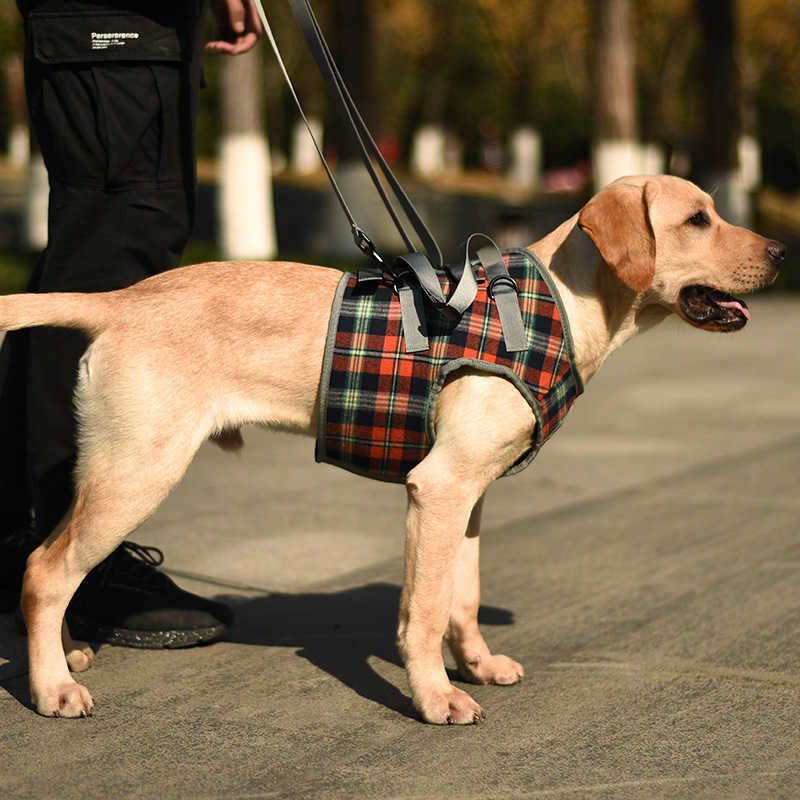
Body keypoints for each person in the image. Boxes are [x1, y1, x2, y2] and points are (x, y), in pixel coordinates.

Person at [0, 0, 262, 648]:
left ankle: (21, 538)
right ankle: (68, 554)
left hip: (130, 27)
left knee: (90, 257)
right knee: (109, 258)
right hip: (112, 20)